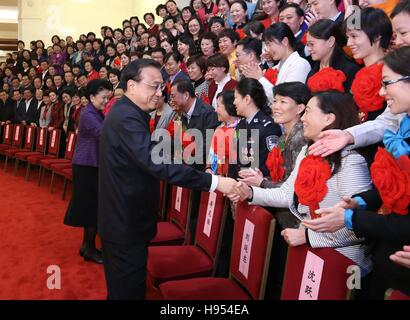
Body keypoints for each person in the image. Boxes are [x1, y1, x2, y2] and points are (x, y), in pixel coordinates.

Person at [98, 59, 238, 300]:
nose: (159, 93)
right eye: (153, 86)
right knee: (127, 290)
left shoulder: (129, 112)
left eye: (162, 87)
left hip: (125, 217)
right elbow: (155, 162)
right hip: (124, 221)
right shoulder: (127, 117)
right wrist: (213, 182)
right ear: (132, 85)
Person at [303, 47, 410, 299]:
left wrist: (350, 219)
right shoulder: (400, 124)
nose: (382, 93)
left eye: (387, 84)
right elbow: (397, 189)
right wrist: (363, 201)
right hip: (390, 257)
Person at [230, 91, 373, 276]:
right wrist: (250, 192)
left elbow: (358, 226)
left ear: (328, 118)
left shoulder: (350, 161)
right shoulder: (308, 152)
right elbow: (286, 193)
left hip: (343, 266)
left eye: (308, 112)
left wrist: (307, 236)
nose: (303, 119)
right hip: (314, 256)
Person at [64, 79, 112, 264]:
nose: (106, 101)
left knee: (92, 208)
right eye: (103, 98)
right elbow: (104, 135)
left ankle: (87, 246)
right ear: (91, 97)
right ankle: (89, 249)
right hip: (87, 165)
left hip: (92, 165)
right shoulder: (88, 114)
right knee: (91, 209)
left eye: (108, 97)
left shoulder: (95, 111)